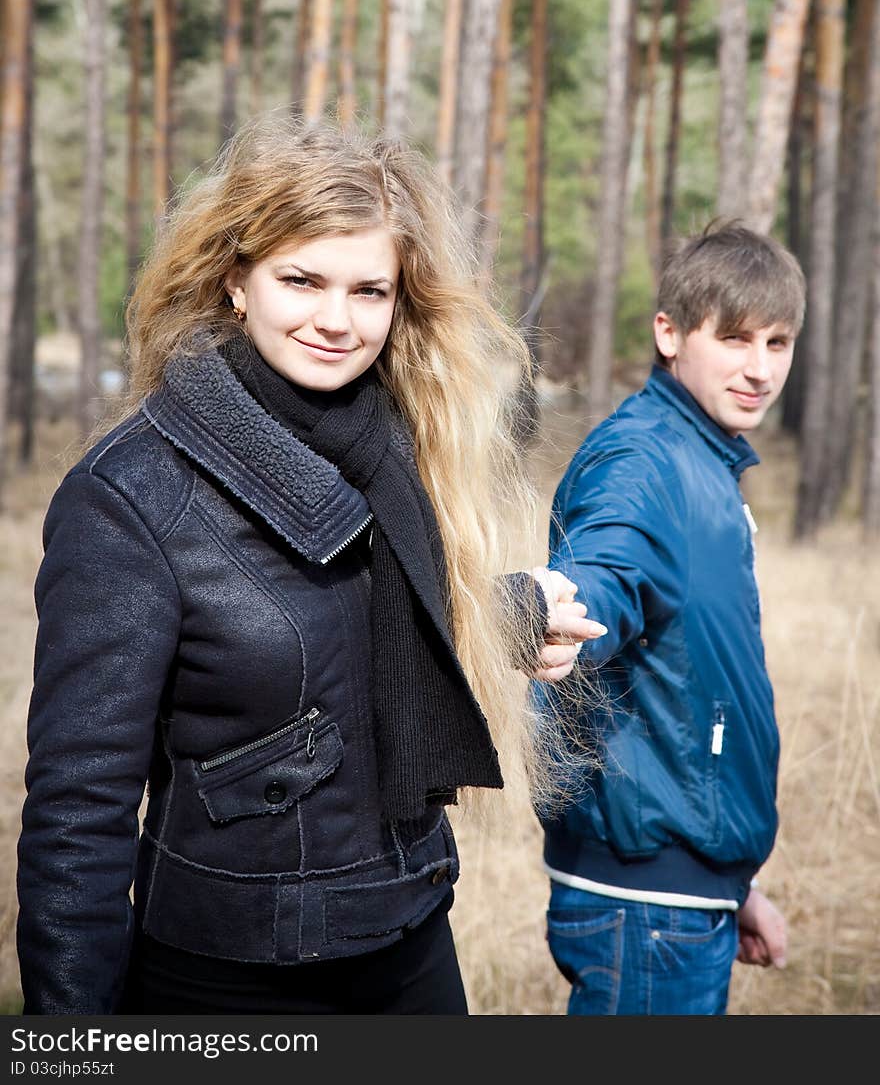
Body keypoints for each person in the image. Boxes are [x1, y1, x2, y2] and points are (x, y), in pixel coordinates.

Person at [16, 113, 603, 1016]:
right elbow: (76, 816)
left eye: (370, 290)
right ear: (235, 280)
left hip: (410, 929)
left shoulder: (398, 438)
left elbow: (353, 616)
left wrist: (504, 613)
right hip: (233, 974)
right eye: (302, 279)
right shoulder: (129, 495)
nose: (338, 320)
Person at [537, 220, 803, 1016]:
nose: (759, 369)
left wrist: (731, 883)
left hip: (679, 890)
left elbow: (689, 695)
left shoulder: (702, 457)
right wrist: (564, 613)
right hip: (644, 905)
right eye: (734, 339)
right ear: (670, 332)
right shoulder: (645, 460)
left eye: (778, 342)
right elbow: (605, 571)